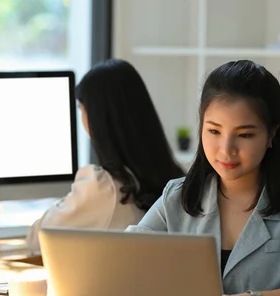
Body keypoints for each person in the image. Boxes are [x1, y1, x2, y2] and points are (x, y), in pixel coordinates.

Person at [125, 60, 280, 296]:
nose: (226, 149)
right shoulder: (176, 196)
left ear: (271, 136)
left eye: (244, 135)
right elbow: (128, 258)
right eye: (214, 131)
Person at [27, 59, 185, 253]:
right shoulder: (175, 181)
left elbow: (38, 239)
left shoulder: (104, 186)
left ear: (95, 117)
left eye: (81, 109)